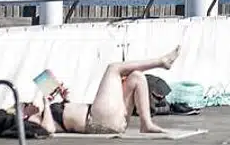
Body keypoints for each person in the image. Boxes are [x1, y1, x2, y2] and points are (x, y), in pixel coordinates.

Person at [22, 47, 181, 135]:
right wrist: (44, 102)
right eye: (26, 105)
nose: (30, 104)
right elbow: (48, 129)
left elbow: (67, 116)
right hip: (95, 121)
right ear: (23, 114)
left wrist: (65, 99)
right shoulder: (33, 119)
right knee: (113, 69)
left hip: (106, 118)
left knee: (137, 77)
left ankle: (146, 124)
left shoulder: (42, 112)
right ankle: (161, 62)